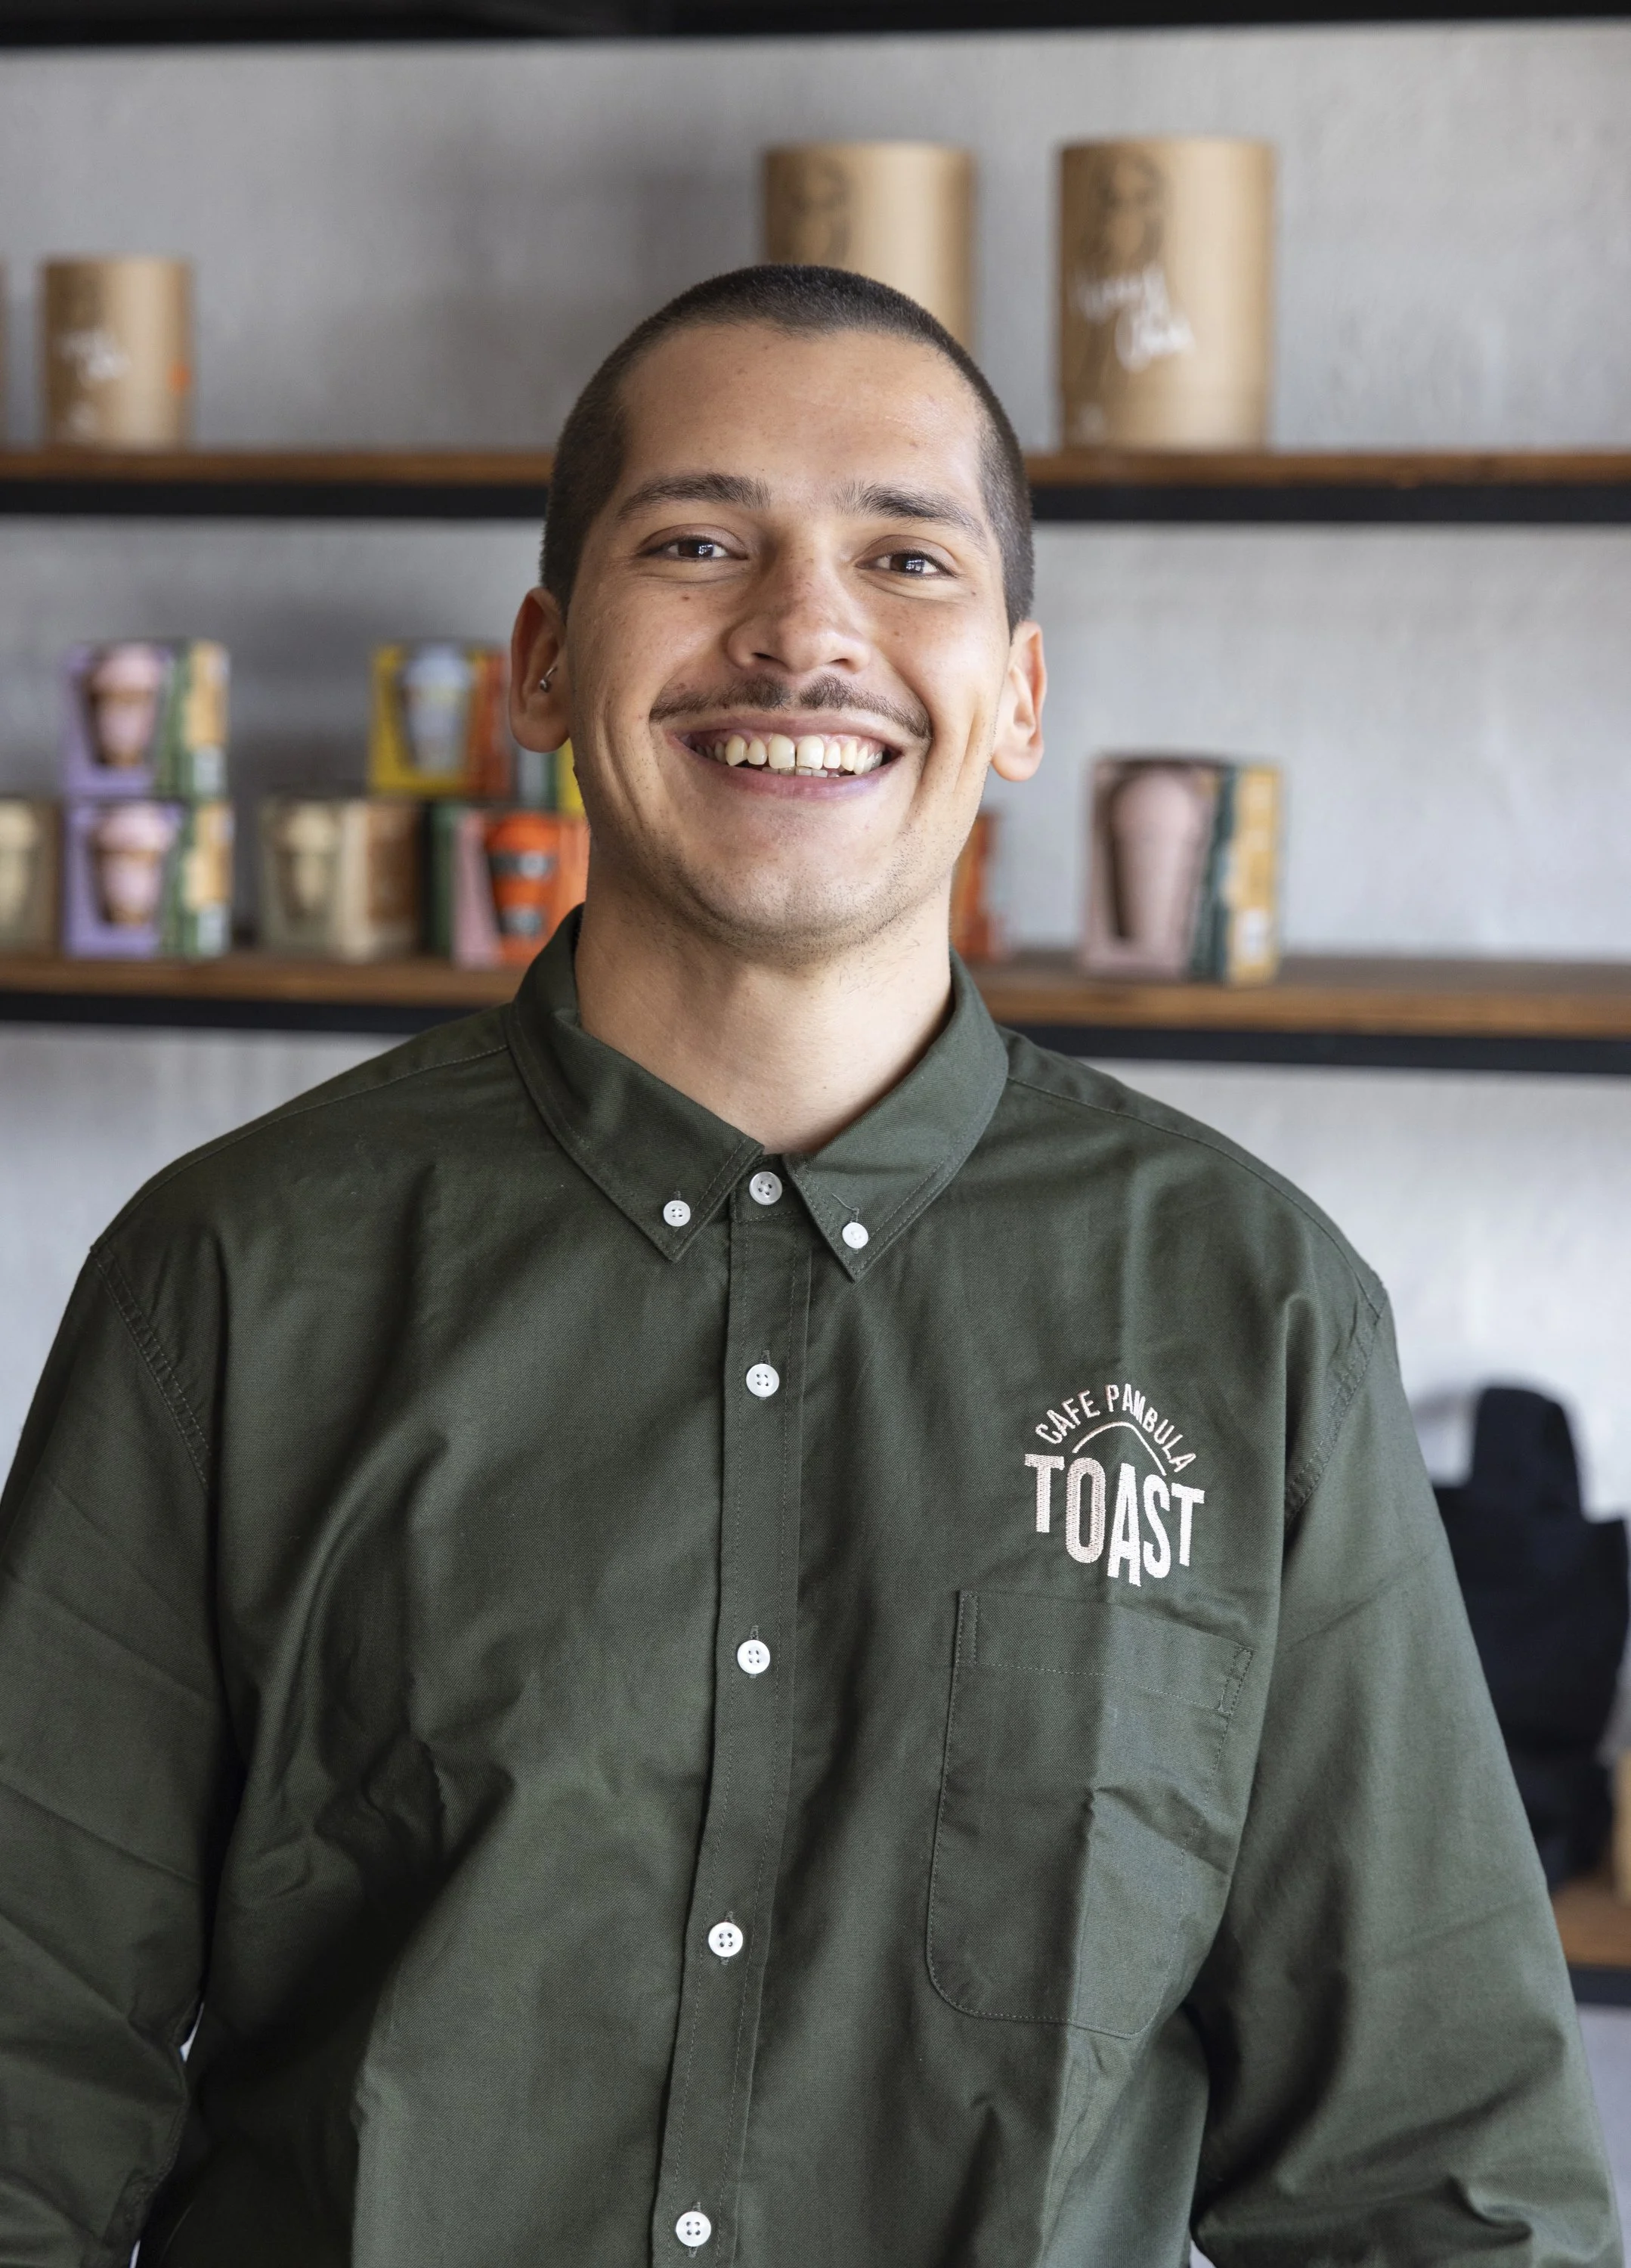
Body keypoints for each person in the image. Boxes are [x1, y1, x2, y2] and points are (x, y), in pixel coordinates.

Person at [0, 265, 1617, 2268]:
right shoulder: (234, 1277)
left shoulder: (1249, 1308)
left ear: (1016, 692)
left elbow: (1434, 2174)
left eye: (903, 555)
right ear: (538, 659)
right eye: (696, 541)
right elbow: (23, 2083)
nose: (801, 632)